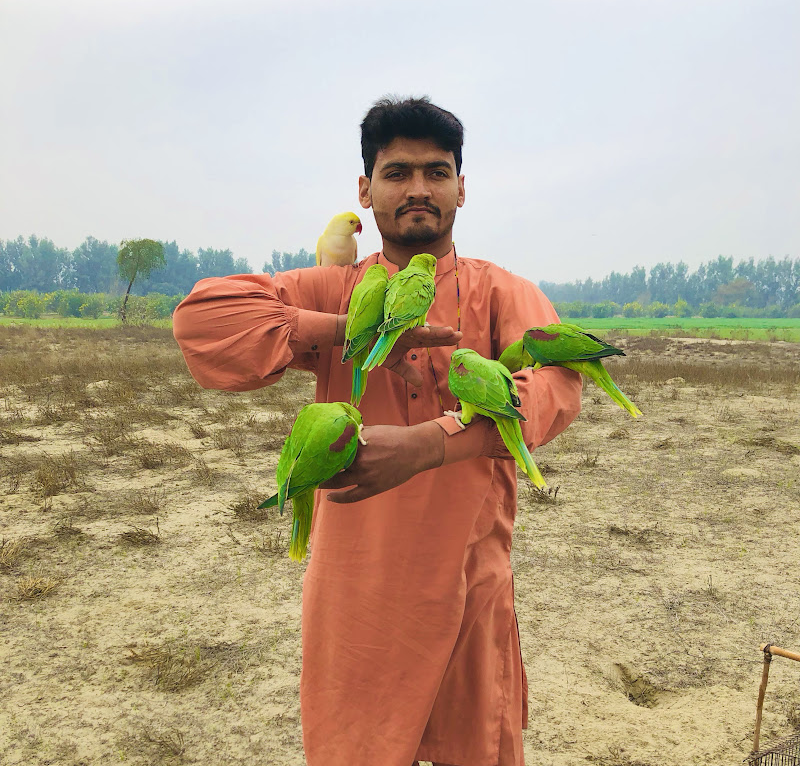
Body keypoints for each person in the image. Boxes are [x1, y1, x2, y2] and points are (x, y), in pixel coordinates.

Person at [173, 96, 582, 766]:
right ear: (365, 191)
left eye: (436, 171)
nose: (418, 188)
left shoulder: (503, 293)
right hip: (356, 598)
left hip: (469, 587)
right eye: (396, 173)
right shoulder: (334, 287)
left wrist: (431, 445)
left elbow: (558, 390)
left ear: (461, 188)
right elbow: (201, 325)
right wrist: (350, 333)